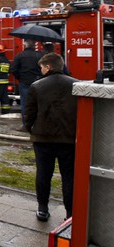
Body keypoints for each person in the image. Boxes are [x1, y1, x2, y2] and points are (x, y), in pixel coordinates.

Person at [24, 53, 78, 222]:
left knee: (43, 174)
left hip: (43, 139)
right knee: (69, 176)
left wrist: (31, 129)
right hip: (69, 140)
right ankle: (70, 214)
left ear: (48, 67)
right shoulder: (77, 84)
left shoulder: (36, 86)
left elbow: (29, 114)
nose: (41, 70)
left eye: (42, 67)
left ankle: (42, 209)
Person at [11, 39, 43, 128]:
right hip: (38, 82)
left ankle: (26, 124)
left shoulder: (19, 55)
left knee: (25, 103)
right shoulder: (40, 55)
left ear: (25, 45)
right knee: (38, 103)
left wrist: (20, 77)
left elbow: (13, 69)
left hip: (24, 82)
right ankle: (37, 124)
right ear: (34, 45)